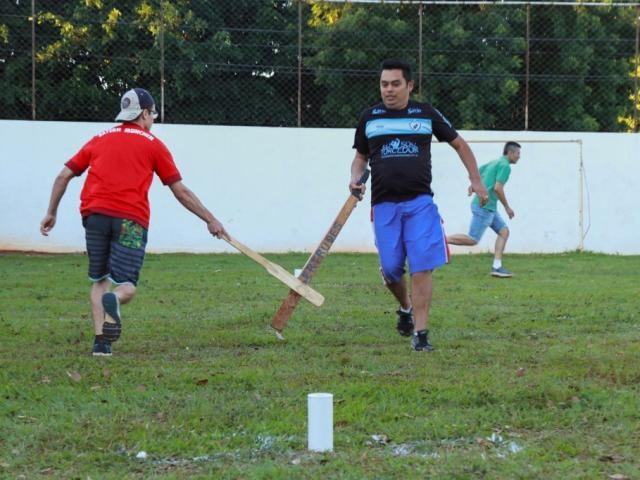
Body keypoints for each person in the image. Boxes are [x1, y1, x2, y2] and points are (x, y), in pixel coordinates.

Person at [40, 88, 228, 357]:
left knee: (99, 279)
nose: (153, 121)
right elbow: (180, 191)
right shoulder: (153, 144)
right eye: (153, 115)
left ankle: (101, 344)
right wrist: (210, 220)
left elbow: (63, 176)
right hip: (130, 220)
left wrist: (51, 212)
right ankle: (114, 301)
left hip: (94, 217)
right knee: (126, 285)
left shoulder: (98, 139)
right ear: (144, 113)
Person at [349, 59, 488, 352]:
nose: (389, 89)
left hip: (420, 204)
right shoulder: (369, 118)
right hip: (385, 206)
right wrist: (354, 178)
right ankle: (406, 308)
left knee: (422, 265)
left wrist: (476, 180)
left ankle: (421, 335)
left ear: (409, 85)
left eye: (395, 83)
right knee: (390, 271)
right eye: (384, 84)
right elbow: (360, 157)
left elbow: (460, 144)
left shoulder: (426, 113)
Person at [446, 142, 521, 278]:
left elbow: (478, 172)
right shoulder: (505, 166)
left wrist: (472, 186)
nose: (519, 157)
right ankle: (443, 240)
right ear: (510, 153)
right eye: (517, 153)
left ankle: (497, 267)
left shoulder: (495, 162)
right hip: (484, 207)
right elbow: (498, 188)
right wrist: (507, 207)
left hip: (488, 207)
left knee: (504, 232)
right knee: (473, 239)